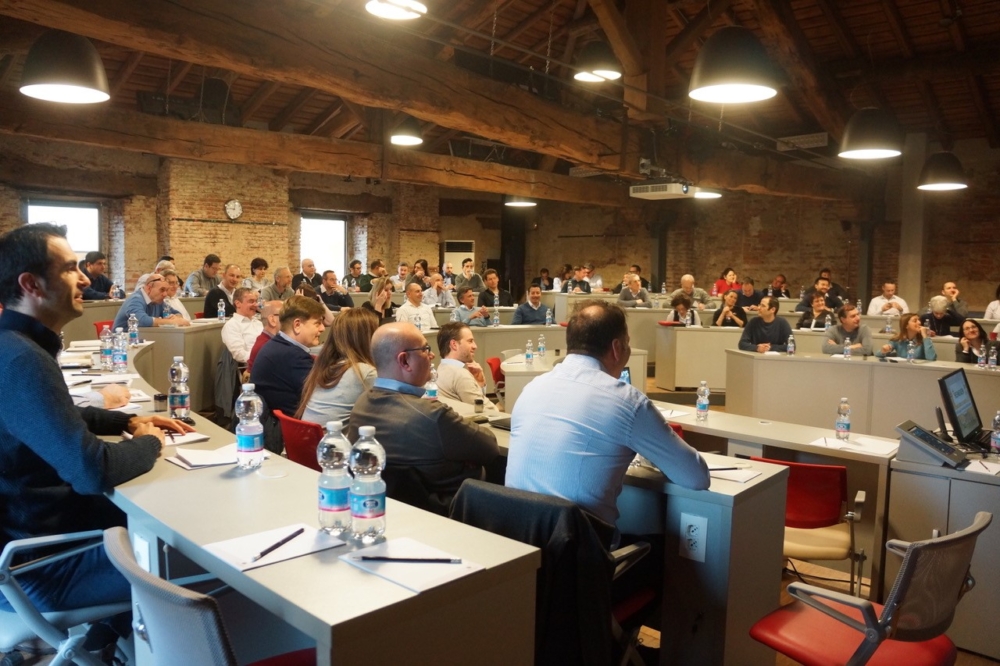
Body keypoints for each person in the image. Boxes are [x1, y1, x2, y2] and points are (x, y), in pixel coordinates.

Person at [0, 223, 192, 659]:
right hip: (44, 570)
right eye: (70, 269)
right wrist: (149, 442)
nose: (85, 279)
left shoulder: (13, 347)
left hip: (37, 550)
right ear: (31, 285)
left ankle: (106, 640)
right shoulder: (22, 360)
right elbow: (92, 470)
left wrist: (127, 419)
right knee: (194, 558)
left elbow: (52, 415)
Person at [505, 300, 709, 526]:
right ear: (617, 348)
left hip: (515, 536)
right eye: (627, 343)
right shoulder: (627, 402)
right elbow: (696, 477)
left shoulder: (532, 388)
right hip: (579, 542)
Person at [347, 322, 500, 496]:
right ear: (405, 361)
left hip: (388, 504)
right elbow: (490, 448)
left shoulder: (360, 405)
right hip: (448, 506)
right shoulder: (431, 416)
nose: (432, 355)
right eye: (425, 349)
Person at [298, 308, 379, 425]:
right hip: (334, 436)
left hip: (309, 435)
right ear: (368, 338)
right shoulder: (365, 373)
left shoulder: (328, 367)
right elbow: (386, 413)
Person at [250, 296, 324, 417]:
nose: (322, 328)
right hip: (290, 425)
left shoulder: (277, 345)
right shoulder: (293, 357)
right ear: (297, 325)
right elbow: (323, 396)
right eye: (317, 323)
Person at [435, 322, 500, 412]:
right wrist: (498, 408)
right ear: (454, 344)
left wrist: (480, 384)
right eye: (470, 341)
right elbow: (489, 412)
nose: (475, 346)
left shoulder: (440, 369)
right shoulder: (461, 375)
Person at [112, 273, 190, 329]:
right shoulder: (135, 299)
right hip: (123, 342)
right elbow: (141, 320)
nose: (165, 294)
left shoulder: (157, 301)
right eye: (162, 290)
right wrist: (172, 322)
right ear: (149, 288)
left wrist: (176, 317)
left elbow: (176, 312)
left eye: (166, 290)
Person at [221, 287, 262, 364]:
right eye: (251, 301)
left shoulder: (259, 323)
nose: (255, 304)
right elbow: (239, 354)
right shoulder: (231, 325)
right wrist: (263, 358)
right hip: (250, 366)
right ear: (238, 304)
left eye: (256, 301)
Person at [248, 300, 282, 374]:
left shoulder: (269, 341)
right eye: (285, 316)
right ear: (272, 320)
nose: (291, 320)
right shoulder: (268, 346)